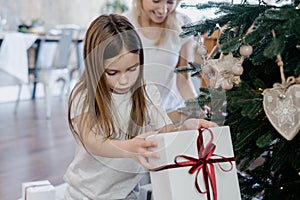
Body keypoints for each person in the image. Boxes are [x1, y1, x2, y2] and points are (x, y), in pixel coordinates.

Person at [63, 14, 217, 200]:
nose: (125, 80)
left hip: (128, 195)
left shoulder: (147, 93)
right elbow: (93, 142)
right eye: (113, 72)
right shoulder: (84, 94)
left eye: (132, 69)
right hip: (84, 195)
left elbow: (165, 133)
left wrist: (184, 128)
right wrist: (129, 147)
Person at [124, 0, 198, 116]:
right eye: (156, 1)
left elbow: (184, 78)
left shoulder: (182, 25)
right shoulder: (124, 25)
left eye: (169, 2)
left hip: (169, 112)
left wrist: (197, 108)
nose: (162, 10)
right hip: (132, 113)